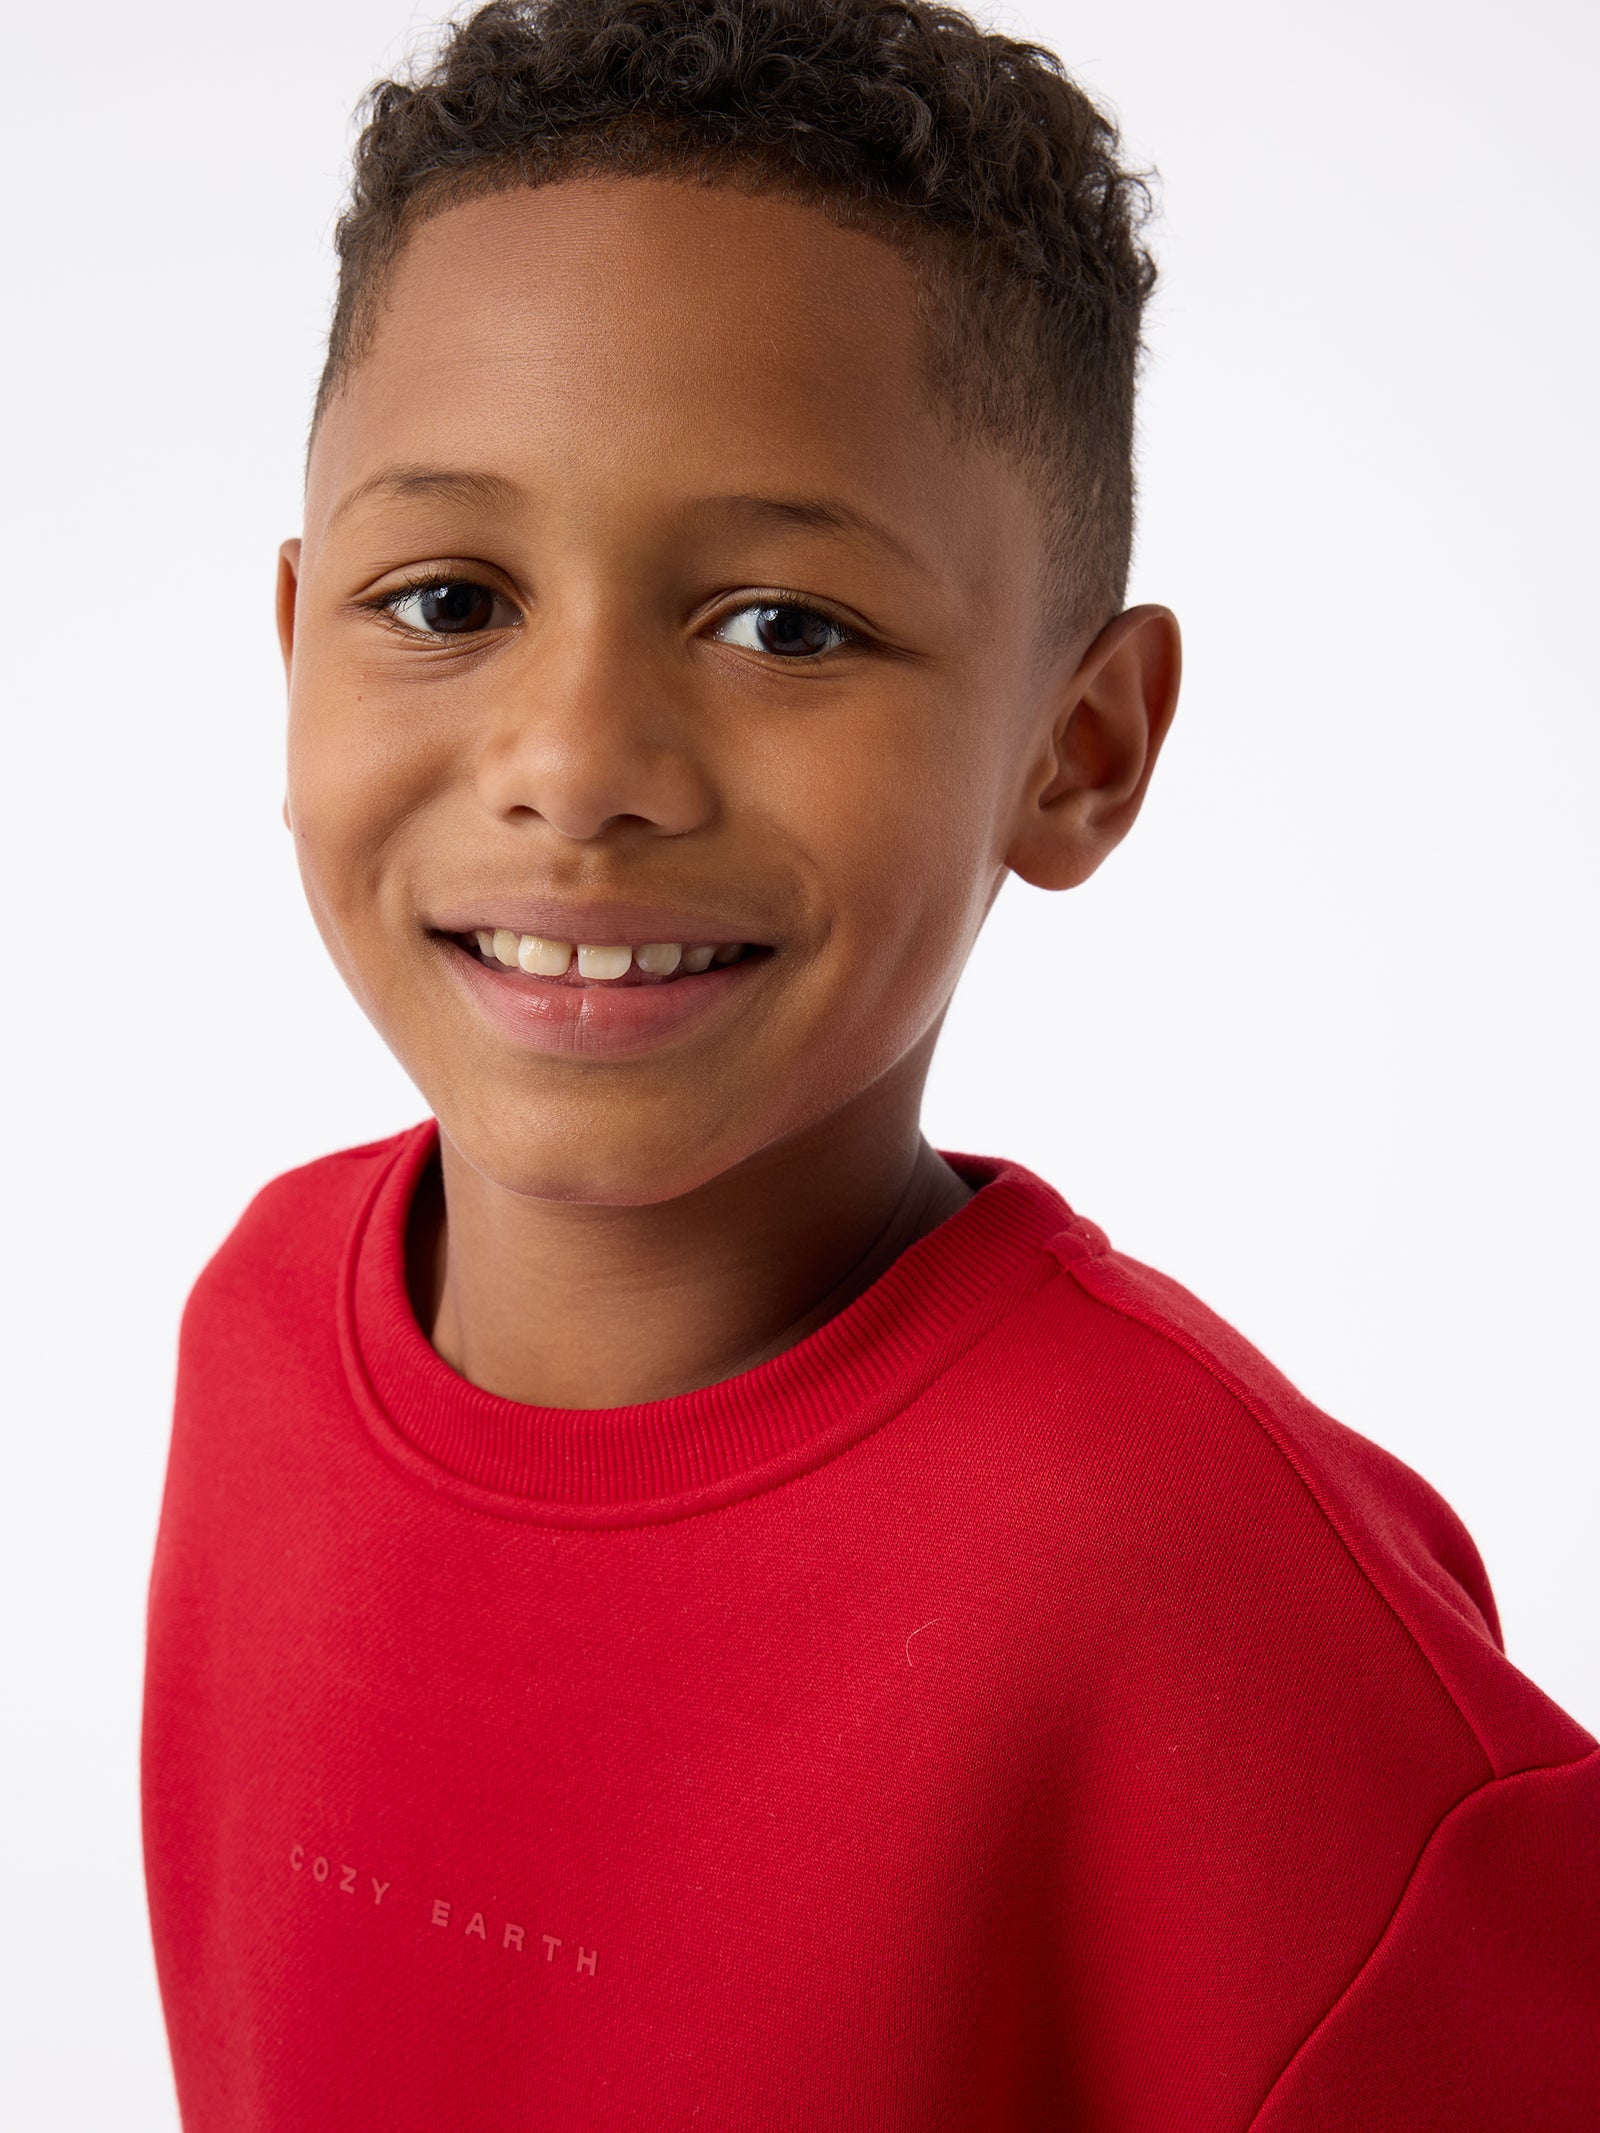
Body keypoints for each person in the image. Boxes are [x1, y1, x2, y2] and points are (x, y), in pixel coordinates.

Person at [140, 0, 1599, 2124]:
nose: (575, 763)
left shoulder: (1217, 1608)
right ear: (295, 644)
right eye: (447, 599)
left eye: (784, 626)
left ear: (1078, 749)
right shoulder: (257, 1320)